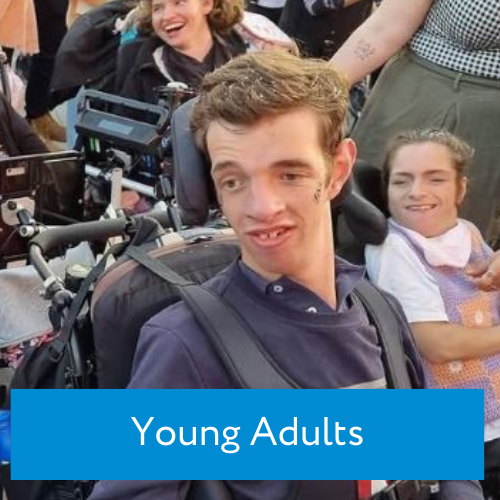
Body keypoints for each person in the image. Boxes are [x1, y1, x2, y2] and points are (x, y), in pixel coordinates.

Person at [89, 51, 482, 500]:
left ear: (337, 172)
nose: (261, 207)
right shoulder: (185, 344)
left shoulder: (380, 311)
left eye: (290, 174)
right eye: (234, 181)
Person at [364, 129, 500, 499]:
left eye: (435, 179)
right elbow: (437, 344)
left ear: (460, 188)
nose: (417, 191)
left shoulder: (468, 233)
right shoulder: (394, 249)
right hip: (451, 427)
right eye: (401, 181)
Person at [330, 0, 500, 247]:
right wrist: (318, 93)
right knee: (361, 211)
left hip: (488, 124)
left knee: (455, 241)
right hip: (412, 87)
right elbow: (385, 26)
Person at [114, 0, 295, 105]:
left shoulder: (259, 48)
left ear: (207, 4)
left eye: (179, 2)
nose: (167, 16)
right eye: (157, 8)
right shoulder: (142, 67)